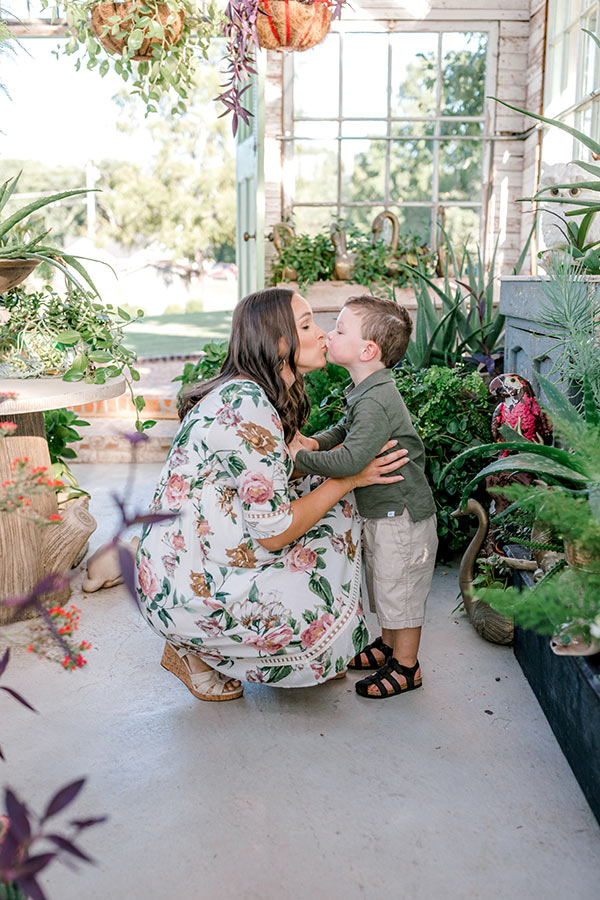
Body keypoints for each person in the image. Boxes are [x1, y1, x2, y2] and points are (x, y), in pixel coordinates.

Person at [135, 287, 408, 701]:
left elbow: (282, 470)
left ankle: (218, 643)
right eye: (307, 325)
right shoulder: (248, 405)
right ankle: (197, 650)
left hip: (207, 553)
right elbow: (275, 533)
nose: (321, 335)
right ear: (277, 342)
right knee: (337, 506)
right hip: (189, 586)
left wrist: (332, 457)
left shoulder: (260, 393)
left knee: (324, 493)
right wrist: (352, 477)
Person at [292, 295, 438, 699]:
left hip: (402, 517)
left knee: (400, 591)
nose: (329, 335)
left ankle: (407, 667)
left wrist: (302, 459)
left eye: (339, 330)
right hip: (384, 511)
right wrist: (318, 443)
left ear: (367, 350)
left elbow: (354, 457)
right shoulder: (366, 389)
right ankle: (389, 648)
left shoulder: (375, 398)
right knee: (385, 585)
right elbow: (346, 430)